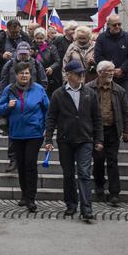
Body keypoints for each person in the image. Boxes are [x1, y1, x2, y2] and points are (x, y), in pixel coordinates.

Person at [44, 60, 102, 222]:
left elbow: (97, 118)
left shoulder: (90, 93)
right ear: (68, 75)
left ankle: (87, 208)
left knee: (84, 173)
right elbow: (51, 118)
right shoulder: (58, 94)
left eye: (82, 73)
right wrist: (48, 139)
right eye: (77, 74)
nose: (81, 76)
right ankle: (71, 204)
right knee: (68, 174)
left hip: (85, 139)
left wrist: (99, 139)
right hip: (65, 140)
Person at [0, 62, 48, 211]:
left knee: (30, 163)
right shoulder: (9, 89)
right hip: (16, 133)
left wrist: (45, 127)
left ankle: (31, 198)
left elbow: (47, 109)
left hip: (34, 133)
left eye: (26, 73)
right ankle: (24, 195)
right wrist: (8, 106)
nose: (24, 76)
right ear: (16, 75)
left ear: (30, 74)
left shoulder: (38, 89)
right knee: (22, 165)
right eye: (21, 73)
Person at [85, 61, 128, 207]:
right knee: (98, 160)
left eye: (113, 70)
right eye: (108, 70)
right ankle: (99, 184)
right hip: (96, 131)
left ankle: (114, 193)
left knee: (112, 161)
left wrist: (127, 130)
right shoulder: (89, 88)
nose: (112, 73)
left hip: (112, 129)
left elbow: (126, 111)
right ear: (100, 72)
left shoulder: (119, 90)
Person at [0, 19, 31, 91]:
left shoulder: (24, 37)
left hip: (22, 71)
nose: (16, 34)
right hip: (4, 72)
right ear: (8, 30)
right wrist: (1, 56)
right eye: (13, 32)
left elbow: (32, 49)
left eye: (18, 32)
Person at [93, 15, 128, 88]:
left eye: (119, 24)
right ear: (108, 25)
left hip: (124, 76)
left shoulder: (127, 37)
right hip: (106, 76)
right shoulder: (101, 38)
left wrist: (122, 69)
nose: (117, 26)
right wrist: (111, 70)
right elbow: (98, 56)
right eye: (114, 25)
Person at [32, 27, 62, 94]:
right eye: (37, 38)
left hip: (48, 75)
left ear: (45, 38)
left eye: (41, 38)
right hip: (35, 74)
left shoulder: (51, 47)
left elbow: (57, 61)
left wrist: (52, 68)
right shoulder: (31, 47)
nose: (39, 40)